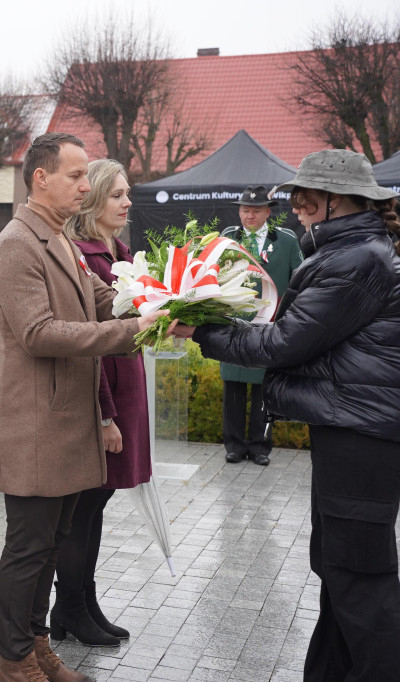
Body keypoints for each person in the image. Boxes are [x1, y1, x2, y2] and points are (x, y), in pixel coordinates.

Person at [172, 149, 400, 682]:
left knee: (359, 581)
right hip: (352, 431)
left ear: (337, 201)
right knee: (339, 570)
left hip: (362, 437)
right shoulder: (352, 250)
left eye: (304, 197)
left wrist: (201, 330)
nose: (294, 207)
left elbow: (286, 342)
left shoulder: (357, 259)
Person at [0, 133, 165, 682]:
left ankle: (38, 647)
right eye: (76, 175)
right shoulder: (17, 244)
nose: (86, 186)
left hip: (65, 423)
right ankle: (14, 663)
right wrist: (128, 331)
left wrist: (167, 302)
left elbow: (103, 297)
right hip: (38, 426)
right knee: (28, 548)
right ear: (41, 178)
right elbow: (40, 333)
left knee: (50, 547)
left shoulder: (59, 238)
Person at [52, 159, 151, 648]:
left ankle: (81, 601)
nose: (127, 202)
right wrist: (105, 413)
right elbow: (85, 342)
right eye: (117, 195)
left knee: (97, 505)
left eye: (127, 193)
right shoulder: (83, 255)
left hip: (123, 380)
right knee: (84, 506)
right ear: (92, 202)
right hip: (103, 388)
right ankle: (69, 607)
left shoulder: (117, 251)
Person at [216, 185, 303, 466]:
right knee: (233, 386)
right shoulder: (228, 239)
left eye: (255, 210)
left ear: (267, 212)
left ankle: (260, 446)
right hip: (233, 324)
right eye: (244, 210)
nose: (249, 215)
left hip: (270, 327)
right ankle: (233, 445)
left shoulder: (287, 241)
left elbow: (299, 282)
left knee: (264, 387)